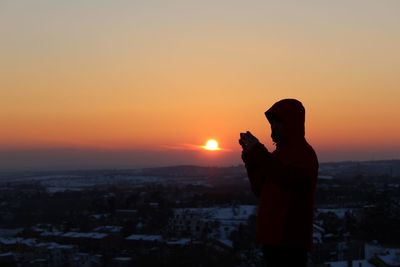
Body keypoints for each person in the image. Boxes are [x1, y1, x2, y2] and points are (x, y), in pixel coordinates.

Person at [239, 99, 318, 267]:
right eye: (272, 123)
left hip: (290, 240)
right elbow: (260, 189)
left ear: (291, 124)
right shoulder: (277, 155)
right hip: (272, 238)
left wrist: (258, 153)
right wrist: (251, 160)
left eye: (278, 123)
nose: (273, 127)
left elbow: (287, 178)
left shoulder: (305, 155)